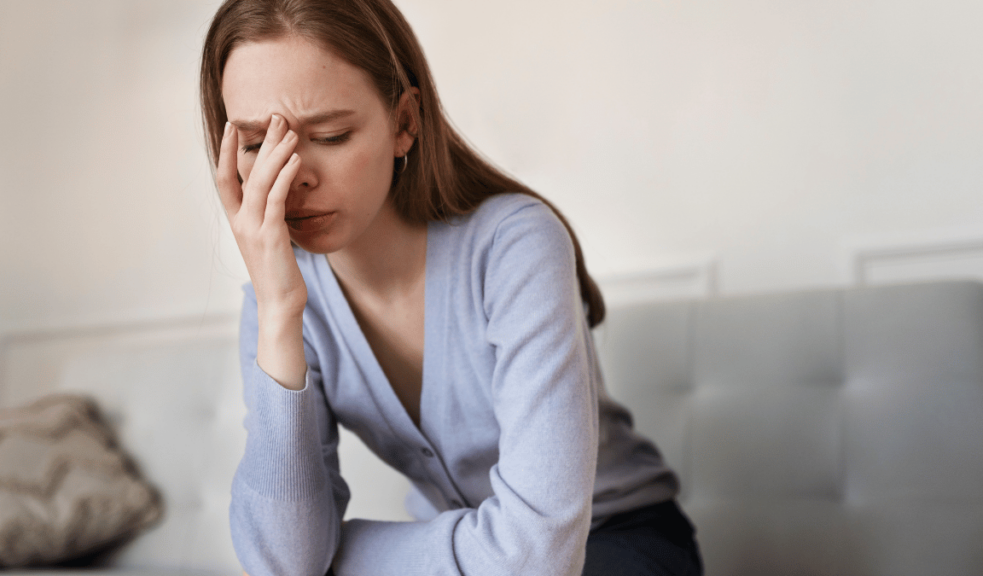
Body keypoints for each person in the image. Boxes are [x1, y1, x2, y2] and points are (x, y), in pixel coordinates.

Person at [199, 0, 703, 574]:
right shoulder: (274, 309)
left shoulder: (514, 245)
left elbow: (537, 557)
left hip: (616, 543)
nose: (293, 177)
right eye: (256, 145)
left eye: (332, 135)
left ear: (405, 122)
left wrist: (342, 557)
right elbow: (283, 560)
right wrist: (279, 311)